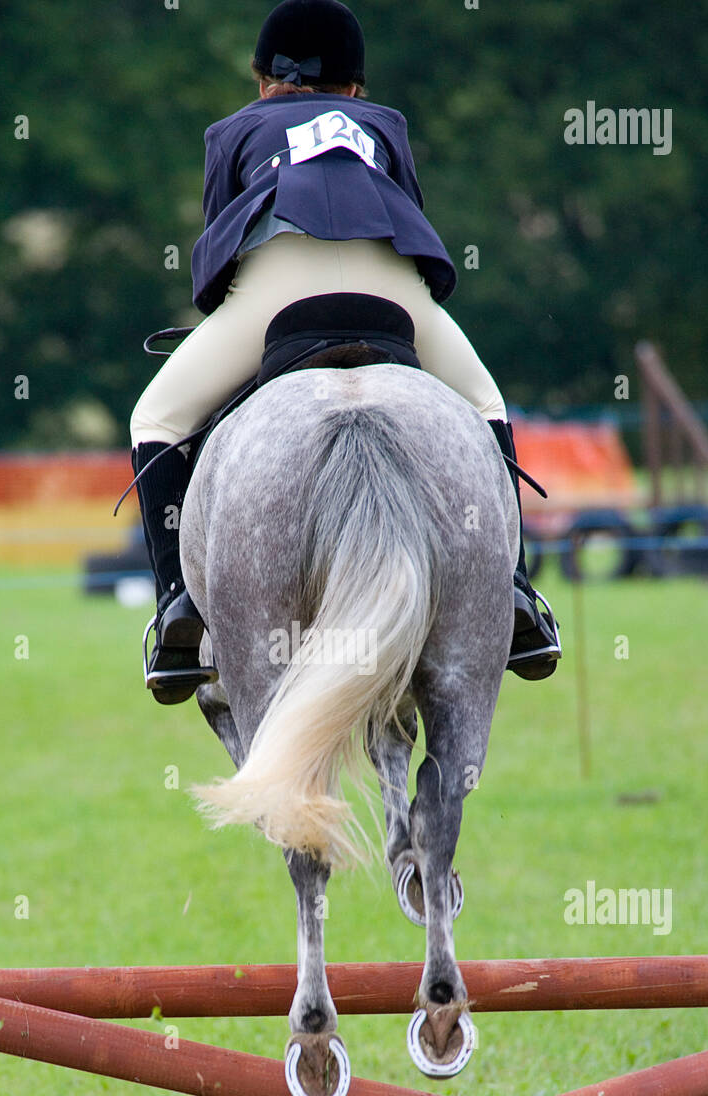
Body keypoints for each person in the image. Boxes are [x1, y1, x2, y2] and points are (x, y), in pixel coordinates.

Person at [129, 0, 561, 703]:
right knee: (484, 403)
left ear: (262, 77)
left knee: (155, 419)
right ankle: (512, 597)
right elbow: (410, 221)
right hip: (389, 285)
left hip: (275, 284)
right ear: (355, 87)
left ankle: (178, 609)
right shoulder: (384, 122)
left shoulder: (232, 128)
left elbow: (218, 256)